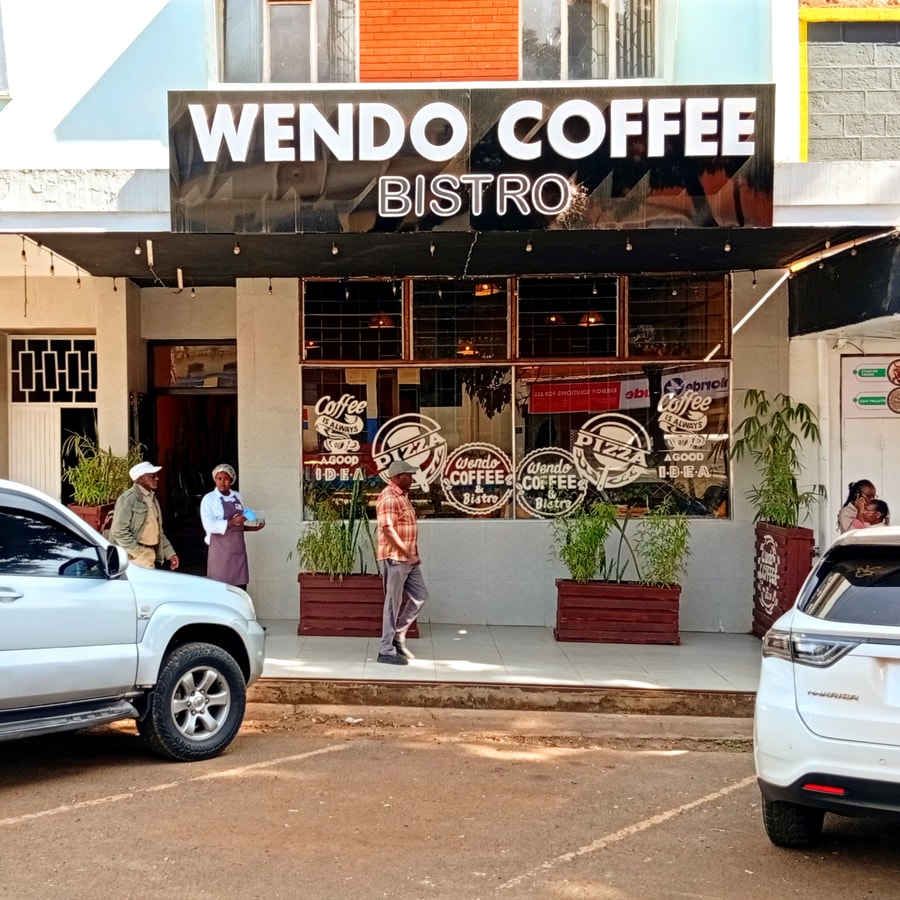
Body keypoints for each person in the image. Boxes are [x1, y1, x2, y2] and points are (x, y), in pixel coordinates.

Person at [375, 458, 428, 666]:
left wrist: (413, 553)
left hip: (408, 558)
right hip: (396, 558)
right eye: (409, 474)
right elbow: (388, 529)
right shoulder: (389, 497)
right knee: (392, 604)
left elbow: (406, 528)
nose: (412, 478)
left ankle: (396, 636)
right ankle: (386, 650)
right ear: (398, 477)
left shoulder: (403, 497)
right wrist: (407, 552)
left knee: (420, 596)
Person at [200, 463, 264, 590]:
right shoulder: (209, 499)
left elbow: (239, 524)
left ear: (232, 480)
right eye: (219, 478)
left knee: (240, 588)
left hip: (238, 551)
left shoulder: (237, 496)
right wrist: (232, 522)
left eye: (226, 479)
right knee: (220, 588)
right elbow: (209, 525)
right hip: (220, 552)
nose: (222, 482)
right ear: (215, 479)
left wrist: (253, 528)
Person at [110, 461, 179, 570]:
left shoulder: (151, 498)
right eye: (152, 476)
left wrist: (169, 553)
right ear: (141, 478)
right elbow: (118, 531)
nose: (157, 478)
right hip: (136, 556)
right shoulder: (128, 499)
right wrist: (137, 552)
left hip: (148, 553)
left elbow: (157, 531)